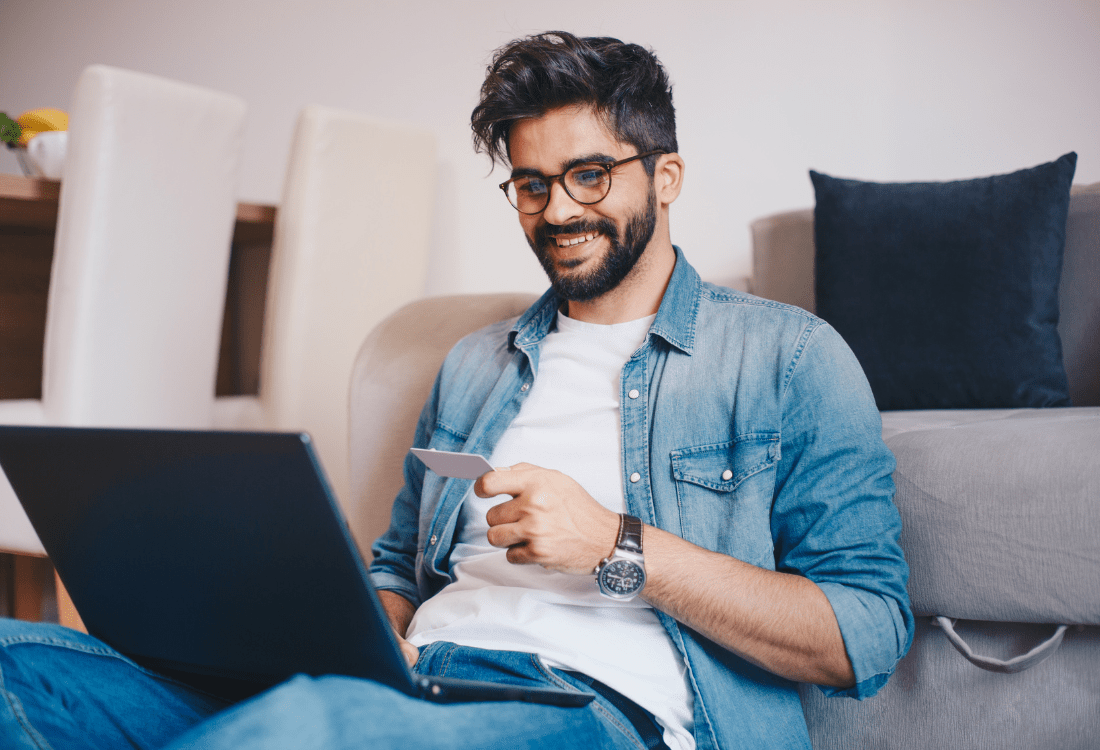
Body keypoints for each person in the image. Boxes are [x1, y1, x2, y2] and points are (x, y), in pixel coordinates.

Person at [0, 31, 912, 750]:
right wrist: (356, 633)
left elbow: (865, 633)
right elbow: (397, 568)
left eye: (589, 175)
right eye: (529, 184)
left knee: (306, 734)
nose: (557, 210)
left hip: (587, 706)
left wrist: (615, 545)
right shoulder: (475, 364)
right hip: (412, 682)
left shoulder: (788, 357)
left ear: (664, 176)